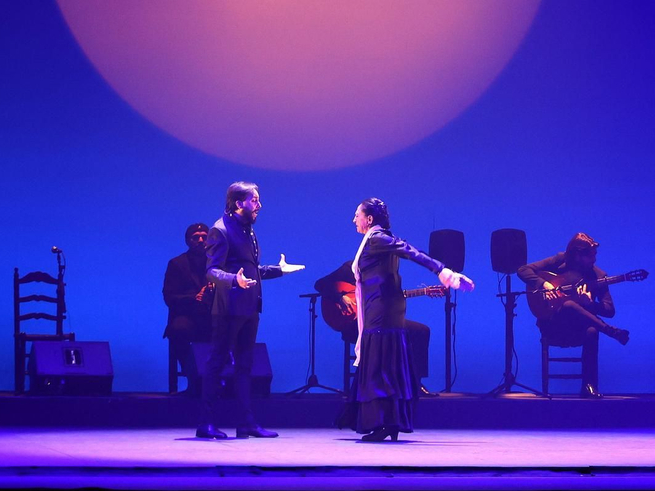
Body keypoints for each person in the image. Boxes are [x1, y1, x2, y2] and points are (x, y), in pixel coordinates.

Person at [337, 198, 473, 442]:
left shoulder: (378, 238)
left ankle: (386, 422)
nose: (353, 219)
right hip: (379, 309)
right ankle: (389, 422)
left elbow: (410, 251)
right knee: (385, 364)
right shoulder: (373, 239)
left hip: (382, 312)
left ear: (369, 219)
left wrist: (443, 272)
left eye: (357, 214)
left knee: (383, 366)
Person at [196, 182, 304, 440]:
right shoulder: (219, 230)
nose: (259, 205)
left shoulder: (247, 230)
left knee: (245, 366)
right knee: (216, 364)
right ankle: (206, 424)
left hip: (249, 308)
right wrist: (235, 280)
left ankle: (246, 423)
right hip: (227, 310)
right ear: (238, 203)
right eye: (254, 200)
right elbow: (212, 271)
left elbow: (250, 268)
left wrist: (279, 270)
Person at [516, 232, 628, 398]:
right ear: (577, 255)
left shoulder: (598, 276)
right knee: (567, 305)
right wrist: (545, 284)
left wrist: (590, 304)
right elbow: (523, 270)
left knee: (591, 331)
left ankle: (589, 386)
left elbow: (609, 310)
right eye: (591, 256)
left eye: (595, 254)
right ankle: (610, 331)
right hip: (552, 325)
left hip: (578, 329)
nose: (594, 259)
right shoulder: (560, 260)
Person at [314, 260, 433, 393]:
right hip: (353, 325)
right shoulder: (353, 267)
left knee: (421, 331)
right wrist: (340, 298)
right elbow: (320, 284)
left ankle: (415, 383)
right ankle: (376, 387)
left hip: (378, 321)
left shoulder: (387, 273)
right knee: (385, 335)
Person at [163, 222, 212, 394]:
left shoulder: (217, 263)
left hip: (211, 315)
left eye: (204, 237)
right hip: (188, 315)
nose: (200, 240)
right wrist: (194, 298)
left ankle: (222, 381)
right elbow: (169, 297)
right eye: (195, 237)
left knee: (232, 328)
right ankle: (193, 377)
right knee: (179, 329)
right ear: (187, 241)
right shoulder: (176, 263)